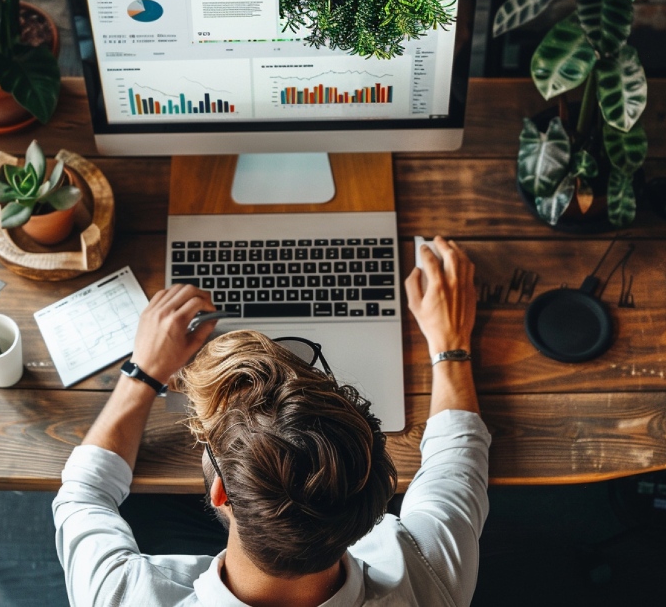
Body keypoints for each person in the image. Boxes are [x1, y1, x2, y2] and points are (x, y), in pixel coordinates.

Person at [53, 236, 491, 606]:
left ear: (220, 492)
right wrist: (450, 346)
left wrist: (143, 373)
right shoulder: (428, 578)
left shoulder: (122, 596)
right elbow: (458, 462)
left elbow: (82, 494)